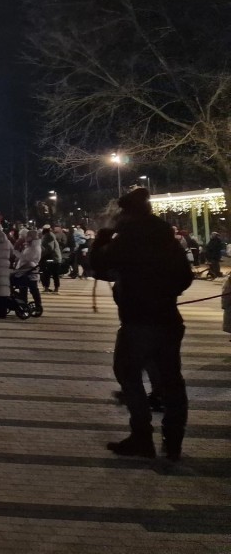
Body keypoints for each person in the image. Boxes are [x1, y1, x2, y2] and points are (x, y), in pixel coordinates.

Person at [90, 188, 193, 460]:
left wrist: (103, 236)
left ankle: (142, 436)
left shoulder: (130, 238)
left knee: (127, 373)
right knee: (171, 380)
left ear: (128, 212)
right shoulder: (166, 238)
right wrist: (165, 292)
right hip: (168, 318)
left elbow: (98, 264)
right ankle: (173, 441)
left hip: (138, 319)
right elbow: (185, 277)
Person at [14, 227, 43, 312]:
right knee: (31, 289)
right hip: (27, 271)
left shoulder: (34, 247)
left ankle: (29, 305)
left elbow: (27, 258)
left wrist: (16, 252)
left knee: (30, 289)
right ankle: (32, 305)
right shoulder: (31, 246)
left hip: (28, 271)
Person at [40, 226, 63, 293]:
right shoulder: (52, 237)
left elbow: (49, 249)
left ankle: (47, 288)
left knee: (47, 274)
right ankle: (56, 289)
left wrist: (42, 255)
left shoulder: (48, 237)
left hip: (51, 258)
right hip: (56, 258)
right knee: (55, 275)